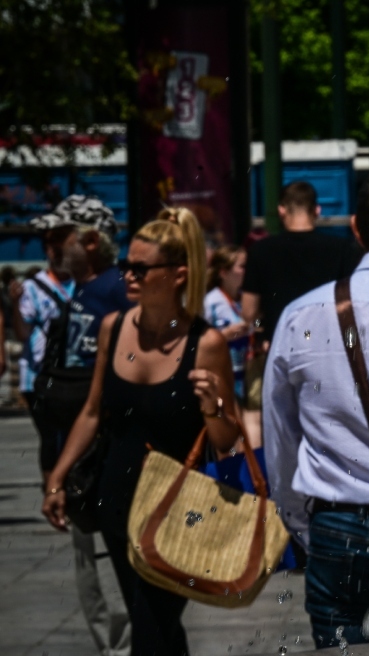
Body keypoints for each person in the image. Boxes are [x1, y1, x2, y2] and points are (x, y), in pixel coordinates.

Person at [42, 207, 241, 654]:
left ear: (177, 274)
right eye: (125, 266)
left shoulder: (204, 343)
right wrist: (58, 475)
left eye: (139, 268)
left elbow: (228, 440)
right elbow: (93, 411)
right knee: (155, 628)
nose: (127, 276)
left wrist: (213, 408)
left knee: (149, 635)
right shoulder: (113, 328)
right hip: (116, 501)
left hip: (177, 514)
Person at [265, 164, 369, 648]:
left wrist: (308, 528)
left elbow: (281, 447)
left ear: (357, 229)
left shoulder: (302, 314)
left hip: (336, 525)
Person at [29, 196, 134, 656]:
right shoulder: (78, 295)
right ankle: (108, 647)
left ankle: (126, 646)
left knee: (117, 569)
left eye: (58, 238)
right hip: (73, 459)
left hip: (104, 460)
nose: (49, 248)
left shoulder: (115, 292)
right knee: (87, 566)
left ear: (90, 242)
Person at [240, 182, 360, 440]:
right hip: (330, 352)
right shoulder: (342, 249)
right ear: (316, 209)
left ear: (281, 210)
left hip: (278, 350)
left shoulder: (261, 251)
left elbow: (248, 312)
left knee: (279, 427)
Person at [9, 218, 76, 468]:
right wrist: (16, 304)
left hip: (75, 374)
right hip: (38, 376)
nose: (55, 251)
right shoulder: (32, 287)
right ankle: (53, 488)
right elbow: (22, 334)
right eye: (50, 246)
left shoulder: (83, 285)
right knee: (51, 438)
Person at [204, 245, 254, 445]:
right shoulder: (212, 301)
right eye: (242, 266)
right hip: (223, 378)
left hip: (244, 376)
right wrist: (224, 335)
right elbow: (200, 340)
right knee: (234, 438)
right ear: (224, 272)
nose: (247, 271)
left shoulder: (244, 299)